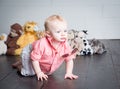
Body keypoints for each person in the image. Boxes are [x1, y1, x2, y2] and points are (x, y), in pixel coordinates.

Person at [12, 15, 78, 81]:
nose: (63, 34)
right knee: (29, 73)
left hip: (38, 55)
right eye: (58, 32)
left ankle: (22, 62)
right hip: (29, 51)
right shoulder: (42, 43)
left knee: (46, 72)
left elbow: (69, 59)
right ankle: (20, 66)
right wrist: (39, 73)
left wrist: (69, 73)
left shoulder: (65, 44)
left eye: (65, 31)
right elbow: (34, 59)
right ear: (48, 34)